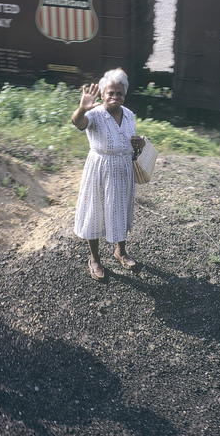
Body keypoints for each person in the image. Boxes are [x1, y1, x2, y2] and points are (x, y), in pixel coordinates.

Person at [71, 68, 145, 281]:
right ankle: (94, 259)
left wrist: (139, 142)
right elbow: (78, 123)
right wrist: (81, 109)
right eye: (110, 93)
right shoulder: (93, 114)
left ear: (124, 95)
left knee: (120, 209)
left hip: (123, 169)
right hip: (100, 168)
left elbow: (128, 139)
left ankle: (120, 251)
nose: (115, 97)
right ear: (102, 94)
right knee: (95, 211)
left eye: (119, 93)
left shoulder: (129, 114)